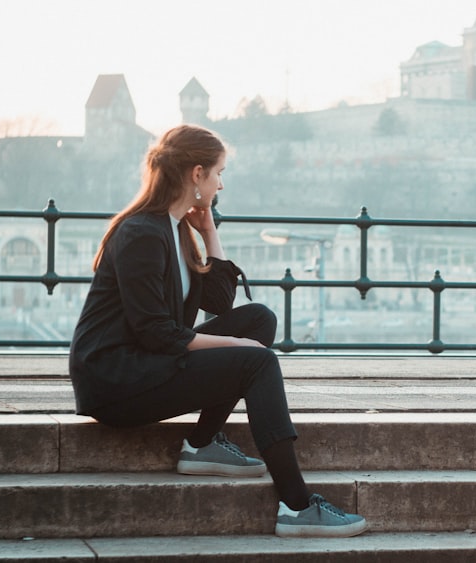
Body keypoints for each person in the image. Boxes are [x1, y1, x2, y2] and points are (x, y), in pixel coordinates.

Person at [68, 124, 366, 538]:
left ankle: (202, 442)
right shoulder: (141, 233)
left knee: (259, 319)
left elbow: (220, 302)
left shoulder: (176, 230)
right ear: (196, 174)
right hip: (115, 380)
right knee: (257, 361)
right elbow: (157, 332)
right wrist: (236, 346)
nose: (221, 184)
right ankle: (297, 507)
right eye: (219, 173)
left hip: (146, 361)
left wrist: (208, 232)